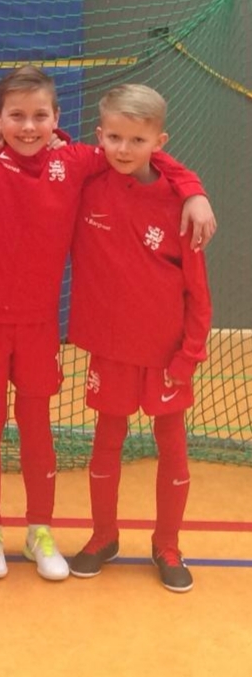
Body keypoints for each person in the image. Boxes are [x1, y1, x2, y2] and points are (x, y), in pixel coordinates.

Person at [0, 65, 214, 582]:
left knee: (58, 431)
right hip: (38, 334)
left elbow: (145, 152)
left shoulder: (97, 171)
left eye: (40, 116)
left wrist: (194, 190)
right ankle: (22, 532)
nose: (28, 127)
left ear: (57, 118)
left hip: (114, 343)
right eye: (15, 116)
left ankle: (132, 542)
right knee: (10, 429)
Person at [67, 85, 211, 592]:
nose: (124, 149)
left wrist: (188, 355)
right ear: (99, 135)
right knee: (107, 442)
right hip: (111, 349)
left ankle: (167, 544)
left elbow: (198, 292)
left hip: (167, 353)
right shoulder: (87, 183)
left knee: (172, 447)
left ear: (159, 142)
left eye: (137, 140)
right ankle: (103, 536)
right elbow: (40, 143)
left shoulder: (181, 205)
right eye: (114, 137)